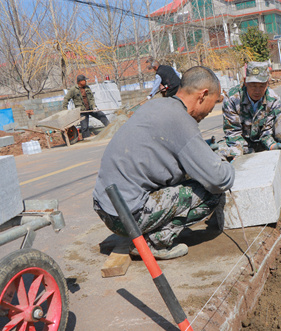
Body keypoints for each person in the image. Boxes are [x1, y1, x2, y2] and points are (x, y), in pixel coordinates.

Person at [93, 66, 235, 260]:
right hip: (125, 218)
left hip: (106, 206)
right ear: (203, 95)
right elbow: (218, 179)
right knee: (211, 194)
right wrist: (227, 164)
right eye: (213, 103)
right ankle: (156, 242)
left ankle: (150, 230)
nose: (210, 111)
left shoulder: (157, 106)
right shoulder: (182, 121)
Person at [220, 61, 281, 183]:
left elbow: (267, 131)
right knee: (219, 152)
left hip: (264, 143)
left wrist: (273, 145)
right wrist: (244, 154)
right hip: (242, 145)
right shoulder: (232, 99)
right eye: (253, 86)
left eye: (261, 86)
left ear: (267, 83)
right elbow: (233, 133)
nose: (257, 90)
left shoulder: (273, 99)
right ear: (245, 82)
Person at [62, 75, 110, 139]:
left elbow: (91, 98)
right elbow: (66, 99)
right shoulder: (73, 90)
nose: (86, 82)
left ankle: (111, 129)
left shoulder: (87, 88)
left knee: (102, 116)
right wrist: (65, 110)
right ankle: (86, 139)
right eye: (84, 80)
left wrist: (94, 106)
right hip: (82, 111)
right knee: (84, 127)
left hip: (91, 108)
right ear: (80, 82)